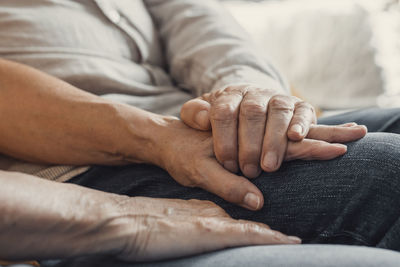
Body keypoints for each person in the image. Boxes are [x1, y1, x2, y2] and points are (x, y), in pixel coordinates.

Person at [0, 0, 399, 266]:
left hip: (186, 121)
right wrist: (158, 138)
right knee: (389, 172)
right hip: (80, 163)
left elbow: (195, 17)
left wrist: (244, 96)